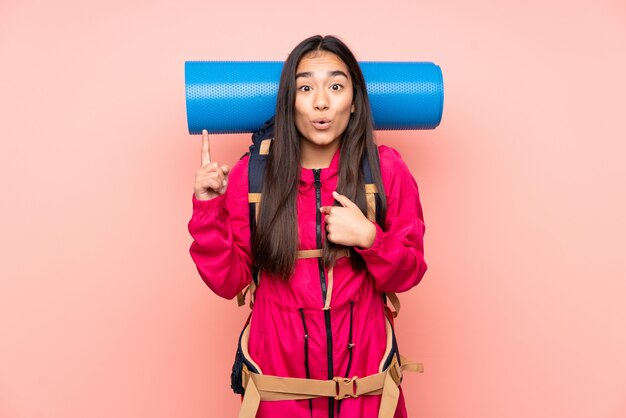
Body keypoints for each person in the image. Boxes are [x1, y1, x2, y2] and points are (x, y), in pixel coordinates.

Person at [188, 35, 428, 418]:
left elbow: (409, 271)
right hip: (278, 399)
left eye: (336, 86)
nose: (321, 102)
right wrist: (207, 207)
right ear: (289, 102)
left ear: (354, 102)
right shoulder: (251, 176)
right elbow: (228, 281)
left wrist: (370, 238)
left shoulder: (386, 171)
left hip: (368, 398)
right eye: (305, 87)